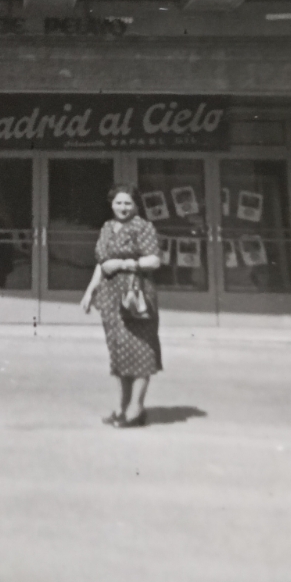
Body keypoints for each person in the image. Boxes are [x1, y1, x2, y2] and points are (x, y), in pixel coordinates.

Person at [80, 183, 162, 428]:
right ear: (111, 203)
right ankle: (121, 407)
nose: (123, 207)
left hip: (135, 297)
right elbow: (101, 263)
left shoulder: (143, 227)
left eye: (128, 203)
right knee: (118, 353)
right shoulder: (107, 227)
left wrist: (124, 264)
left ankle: (136, 410)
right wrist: (89, 291)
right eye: (118, 202)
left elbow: (155, 260)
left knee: (140, 352)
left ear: (136, 205)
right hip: (110, 297)